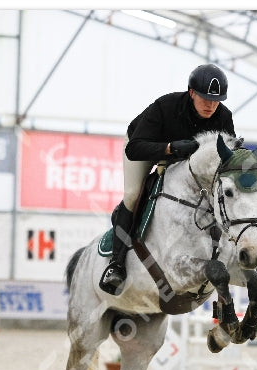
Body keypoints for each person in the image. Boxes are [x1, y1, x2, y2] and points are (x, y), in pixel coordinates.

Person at [99, 63, 236, 295]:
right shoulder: (166, 106)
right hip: (147, 148)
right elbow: (135, 149)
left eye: (216, 100)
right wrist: (170, 148)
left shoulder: (224, 117)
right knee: (133, 195)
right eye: (205, 98)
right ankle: (117, 264)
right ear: (191, 92)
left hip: (187, 164)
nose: (211, 105)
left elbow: (226, 159)